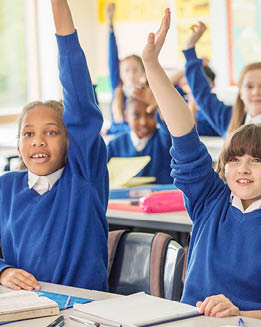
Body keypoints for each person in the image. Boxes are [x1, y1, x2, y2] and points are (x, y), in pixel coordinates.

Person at [142, 9, 261, 324]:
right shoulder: (211, 201)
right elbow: (183, 133)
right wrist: (151, 66)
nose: (243, 169)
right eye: (234, 160)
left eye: (256, 160)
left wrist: (237, 313)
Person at [0, 0, 109, 291]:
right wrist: (3, 271)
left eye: (51, 132)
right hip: (24, 311)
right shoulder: (5, 188)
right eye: (28, 134)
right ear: (19, 144)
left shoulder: (84, 177)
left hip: (85, 312)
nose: (37, 140)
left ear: (71, 139)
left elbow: (79, 94)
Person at [183, 22, 261, 147]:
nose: (256, 92)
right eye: (249, 86)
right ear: (241, 92)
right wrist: (189, 49)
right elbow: (202, 95)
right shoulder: (230, 119)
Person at [107, 85, 173, 184]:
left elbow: (171, 125)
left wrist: (160, 106)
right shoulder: (114, 145)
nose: (143, 122)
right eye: (136, 115)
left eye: (150, 115)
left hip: (160, 197)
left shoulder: (164, 140)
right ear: (126, 116)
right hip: (122, 198)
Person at [106, 2, 146, 135]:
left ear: (143, 72)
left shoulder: (147, 93)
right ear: (121, 74)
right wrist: (110, 23)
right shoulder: (118, 90)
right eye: (126, 71)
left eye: (135, 70)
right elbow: (112, 59)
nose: (131, 75)